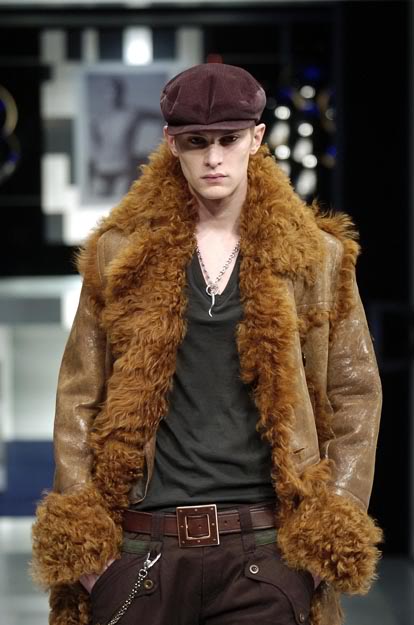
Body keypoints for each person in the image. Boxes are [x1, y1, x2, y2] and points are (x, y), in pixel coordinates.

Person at [31, 63, 383, 625]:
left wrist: (324, 541)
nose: (214, 157)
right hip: (146, 550)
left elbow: (355, 394)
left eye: (229, 139)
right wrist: (90, 554)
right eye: (197, 142)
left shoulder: (316, 257)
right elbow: (79, 396)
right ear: (172, 143)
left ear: (256, 139)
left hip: (266, 553)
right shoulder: (121, 254)